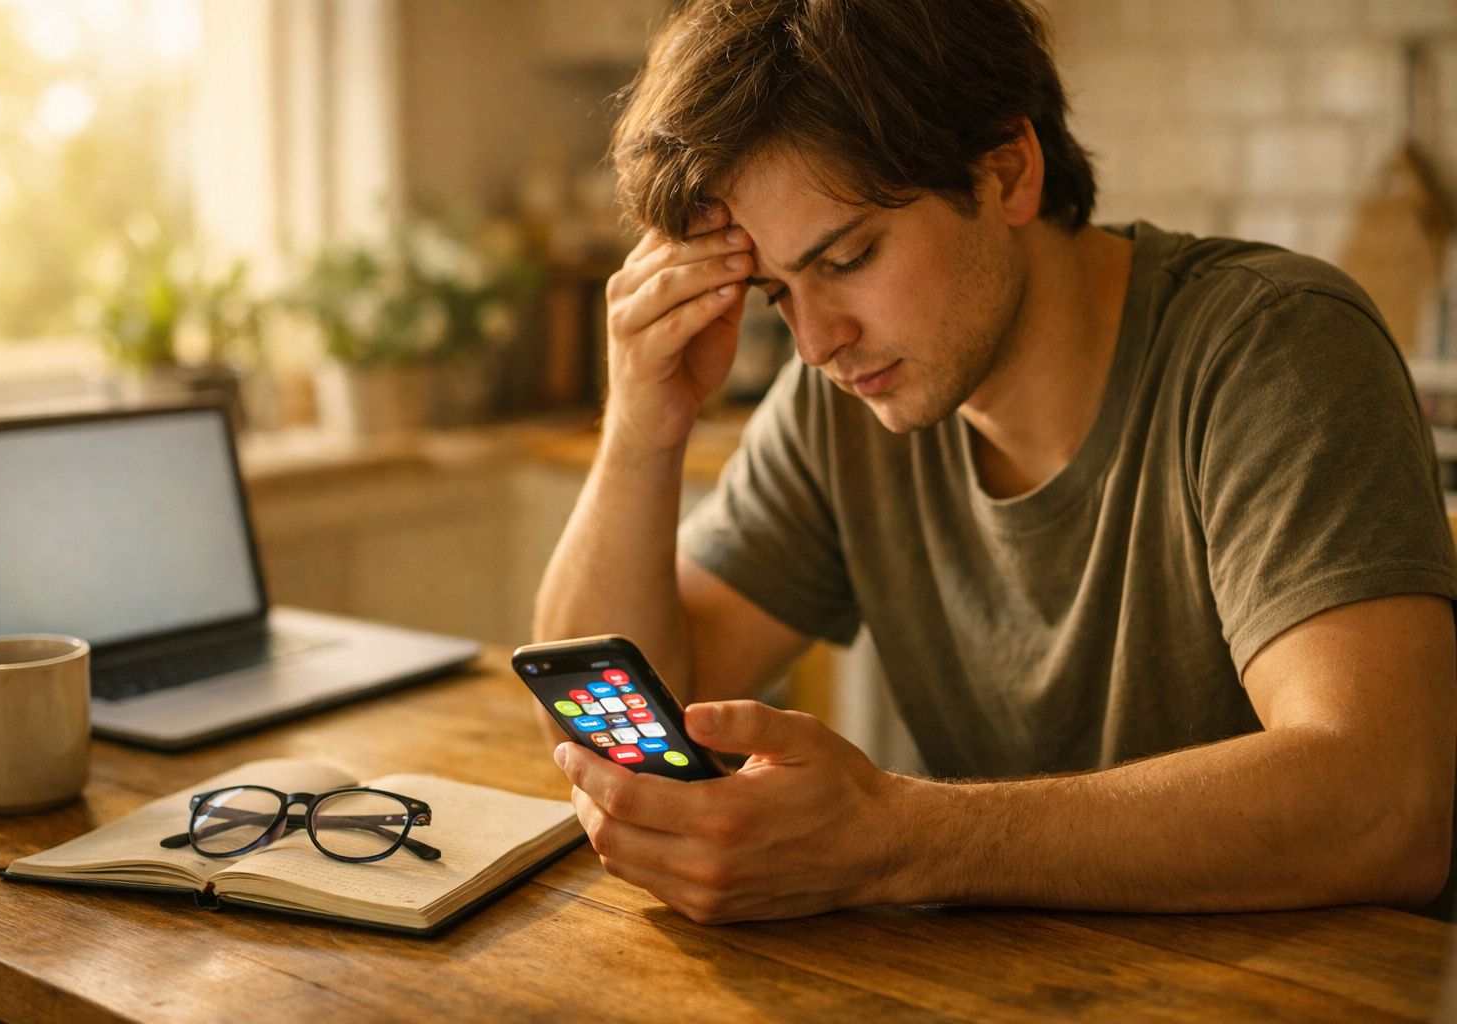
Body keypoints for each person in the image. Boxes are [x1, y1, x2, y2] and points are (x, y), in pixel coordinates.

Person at [533, 0, 1457, 924]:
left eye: (849, 257)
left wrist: (899, 837)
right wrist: (643, 430)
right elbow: (619, 721)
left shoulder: (1275, 347)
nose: (816, 341)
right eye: (777, 293)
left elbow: (1384, 803)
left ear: (1007, 171)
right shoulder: (839, 406)